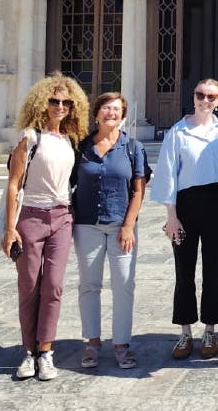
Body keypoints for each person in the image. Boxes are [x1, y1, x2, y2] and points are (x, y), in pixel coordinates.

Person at [2, 73, 89, 380]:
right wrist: (9, 229)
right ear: (42, 103)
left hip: (62, 217)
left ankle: (46, 350)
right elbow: (14, 185)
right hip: (30, 217)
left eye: (66, 102)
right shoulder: (30, 137)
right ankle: (28, 352)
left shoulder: (72, 140)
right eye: (54, 101)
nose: (60, 106)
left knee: (53, 285)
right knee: (28, 287)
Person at [151, 79, 218, 360]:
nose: (205, 101)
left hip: (216, 205)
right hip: (185, 206)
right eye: (201, 95)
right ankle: (185, 332)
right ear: (193, 97)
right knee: (183, 271)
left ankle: (210, 329)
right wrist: (171, 217)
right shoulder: (178, 131)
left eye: (211, 96)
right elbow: (168, 173)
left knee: (213, 270)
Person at [72, 92, 148, 369]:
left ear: (123, 115)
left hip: (121, 226)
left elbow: (138, 190)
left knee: (124, 285)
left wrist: (129, 226)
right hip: (87, 224)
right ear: (96, 114)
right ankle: (92, 342)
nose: (111, 113)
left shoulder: (133, 147)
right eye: (106, 108)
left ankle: (121, 344)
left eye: (116, 109)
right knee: (89, 285)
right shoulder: (81, 147)